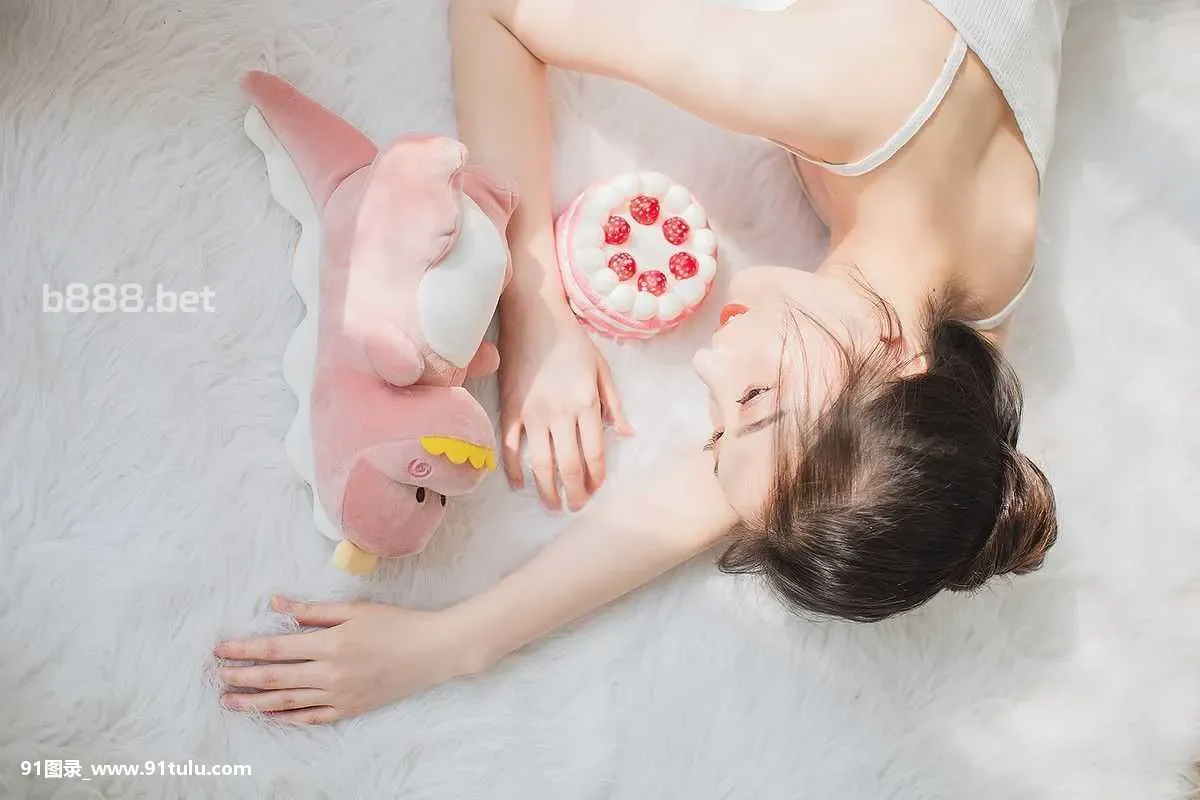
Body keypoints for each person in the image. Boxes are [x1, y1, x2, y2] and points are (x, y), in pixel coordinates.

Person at [215, 0, 1067, 724]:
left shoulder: (951, 364)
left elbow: (741, 489)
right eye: (751, 397)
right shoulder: (842, 93)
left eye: (722, 425)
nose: (707, 372)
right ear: (897, 358)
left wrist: (455, 644)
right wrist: (536, 306)